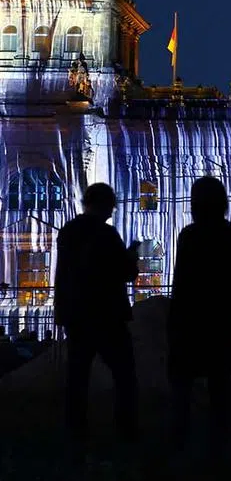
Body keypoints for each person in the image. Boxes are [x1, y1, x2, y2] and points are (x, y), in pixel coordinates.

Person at [53, 183, 140, 446]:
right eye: (112, 205)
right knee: (124, 374)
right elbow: (124, 273)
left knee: (77, 376)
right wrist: (131, 256)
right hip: (106, 314)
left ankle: (75, 432)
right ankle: (126, 430)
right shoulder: (106, 234)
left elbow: (66, 274)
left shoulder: (68, 232)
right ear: (103, 204)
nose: (113, 210)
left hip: (76, 314)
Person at [167, 176, 231, 449]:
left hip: (189, 320)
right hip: (217, 320)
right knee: (219, 385)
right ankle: (219, 443)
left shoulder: (189, 235)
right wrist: (227, 311)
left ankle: (180, 440)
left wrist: (176, 318)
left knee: (182, 386)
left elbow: (182, 281)